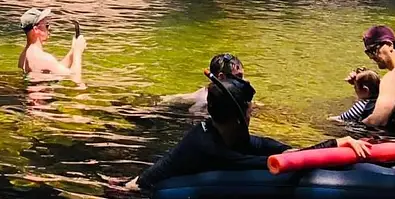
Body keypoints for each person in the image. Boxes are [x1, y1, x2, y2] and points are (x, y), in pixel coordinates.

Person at [127, 76, 370, 191]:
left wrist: (295, 148)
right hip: (138, 195)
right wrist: (335, 143)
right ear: (239, 116)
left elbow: (268, 147)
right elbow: (272, 163)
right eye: (250, 110)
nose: (252, 113)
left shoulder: (221, 130)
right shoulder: (207, 145)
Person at [160, 53, 244, 114]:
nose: (244, 81)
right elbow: (192, 113)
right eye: (239, 77)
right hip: (166, 107)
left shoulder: (216, 92)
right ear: (221, 77)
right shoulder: (206, 102)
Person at [17, 8, 86, 77]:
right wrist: (78, 52)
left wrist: (73, 49)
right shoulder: (43, 58)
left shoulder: (24, 56)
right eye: (46, 25)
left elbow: (56, 68)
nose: (49, 28)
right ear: (36, 29)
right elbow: (75, 77)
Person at [360, 26, 395, 131]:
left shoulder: (393, 78)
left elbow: (378, 120)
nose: (371, 57)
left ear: (390, 45)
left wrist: (352, 127)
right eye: (368, 52)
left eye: (373, 50)